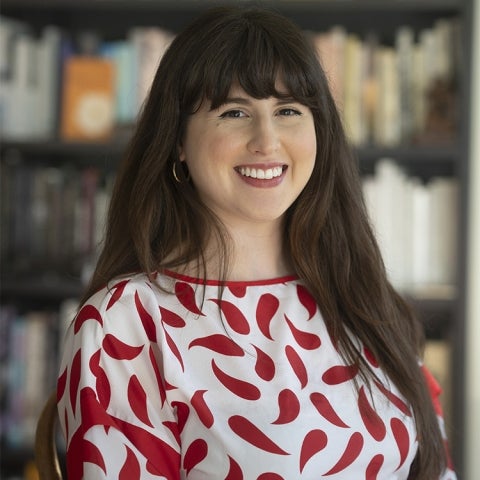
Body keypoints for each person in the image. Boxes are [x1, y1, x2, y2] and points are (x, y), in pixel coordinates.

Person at [57, 5, 456, 479]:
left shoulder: (361, 296)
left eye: (288, 110)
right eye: (234, 112)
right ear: (178, 141)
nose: (267, 140)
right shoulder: (124, 326)